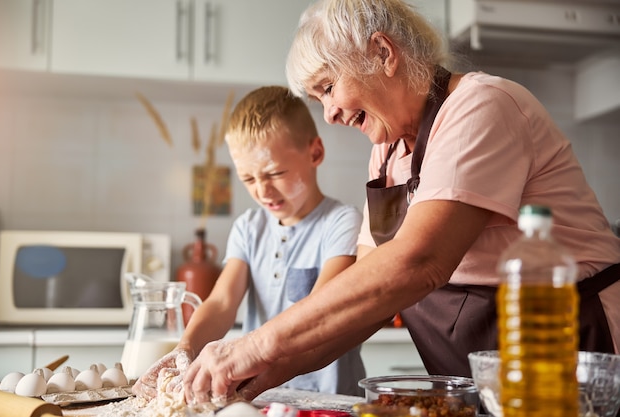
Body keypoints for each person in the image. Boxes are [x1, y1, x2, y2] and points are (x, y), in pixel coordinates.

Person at [181, 0, 620, 404]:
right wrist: (257, 377)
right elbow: (363, 297)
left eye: (329, 87)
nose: (329, 113)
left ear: (383, 53)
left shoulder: (481, 106)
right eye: (319, 100)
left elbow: (417, 262)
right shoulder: (388, 151)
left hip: (567, 347)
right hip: (486, 375)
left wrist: (254, 345)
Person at [132, 85, 366, 400]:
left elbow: (322, 310)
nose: (263, 192)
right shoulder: (248, 227)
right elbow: (221, 304)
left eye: (275, 173)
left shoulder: (341, 223)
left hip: (330, 399)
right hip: (263, 397)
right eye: (249, 179)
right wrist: (185, 348)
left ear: (315, 153)